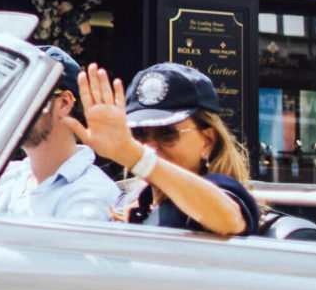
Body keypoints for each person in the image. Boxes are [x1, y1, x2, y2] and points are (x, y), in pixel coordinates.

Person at [78, 60, 258, 238]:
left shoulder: (220, 189)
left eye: (167, 133)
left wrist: (139, 158)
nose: (149, 147)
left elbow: (229, 219)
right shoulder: (132, 202)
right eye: (139, 133)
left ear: (208, 141)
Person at [0, 46, 118, 222]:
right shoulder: (5, 174)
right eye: (8, 97)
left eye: (26, 96)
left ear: (64, 103)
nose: (12, 109)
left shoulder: (90, 192)